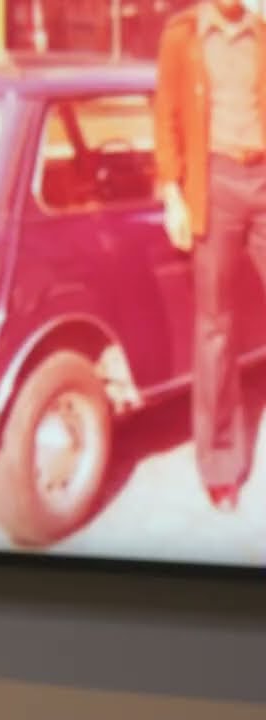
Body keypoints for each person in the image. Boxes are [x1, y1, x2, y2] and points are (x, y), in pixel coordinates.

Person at [154, 0, 266, 512]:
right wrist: (172, 194)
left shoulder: (261, 34)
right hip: (213, 184)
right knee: (216, 328)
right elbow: (166, 118)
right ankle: (221, 464)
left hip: (262, 178)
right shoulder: (183, 36)